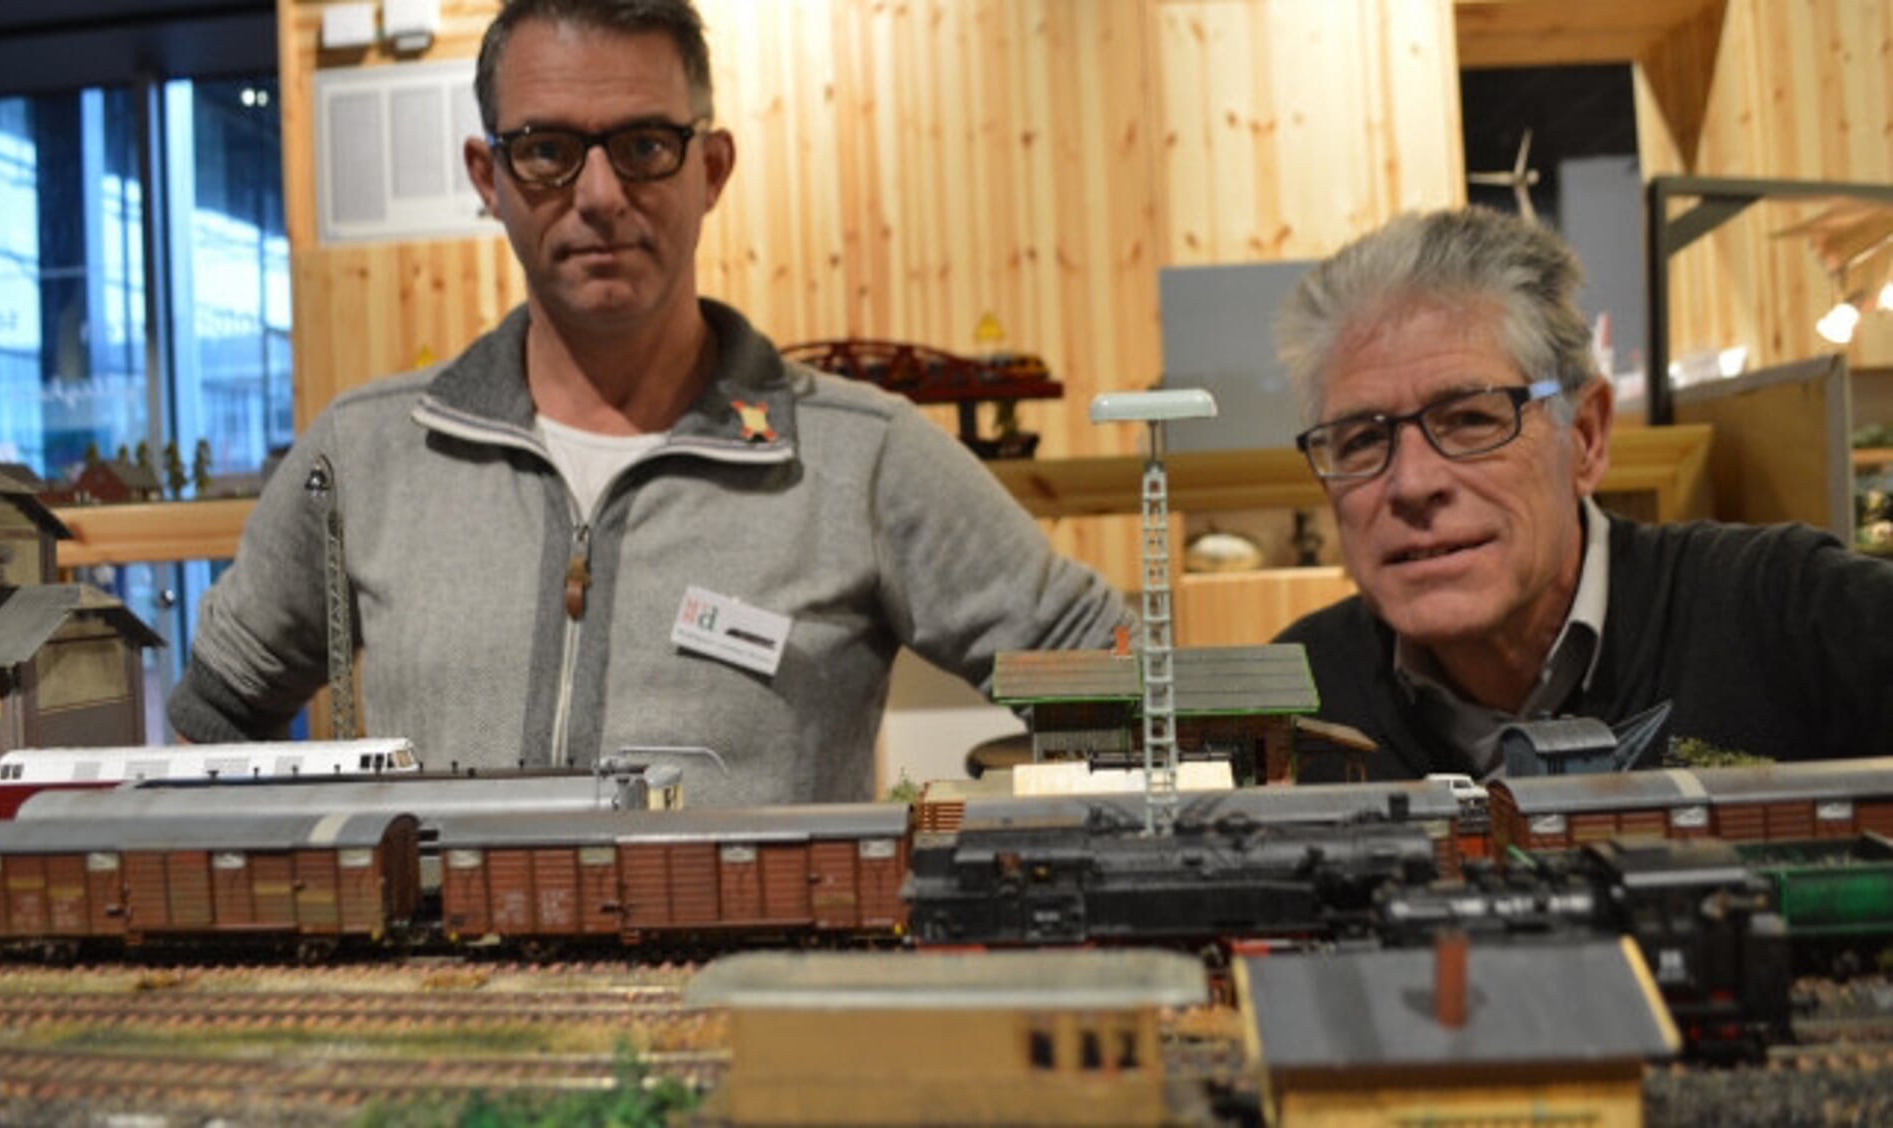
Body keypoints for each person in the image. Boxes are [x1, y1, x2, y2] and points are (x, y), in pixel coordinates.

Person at [167, 0, 1126, 805]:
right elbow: (213, 721)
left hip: (750, 1024)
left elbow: (1116, 682)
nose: (598, 195)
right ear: (487, 177)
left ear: (710, 170)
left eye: (642, 146)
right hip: (446, 1021)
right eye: (546, 149)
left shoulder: (858, 460)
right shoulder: (367, 456)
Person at [1272, 206, 1893, 781]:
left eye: (1470, 419)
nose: (1412, 483)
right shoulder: (1294, 697)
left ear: (1588, 438)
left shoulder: (1784, 616)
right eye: (1359, 440)